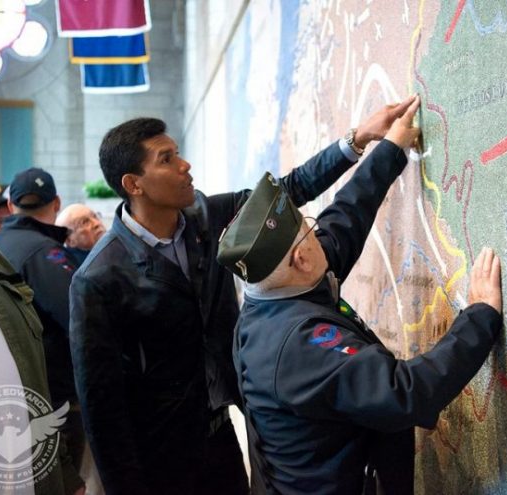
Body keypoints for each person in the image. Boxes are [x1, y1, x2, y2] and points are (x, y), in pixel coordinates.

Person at [69, 99, 414, 495]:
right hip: (162, 454)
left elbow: (287, 192)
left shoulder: (208, 218)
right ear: (134, 183)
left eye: (178, 154)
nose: (185, 166)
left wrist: (356, 140)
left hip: (223, 433)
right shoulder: (98, 278)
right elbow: (101, 404)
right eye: (167, 159)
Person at [217, 96, 504, 493]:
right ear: (301, 258)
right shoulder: (299, 348)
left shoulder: (271, 294)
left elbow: (344, 222)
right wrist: (481, 315)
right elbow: (406, 393)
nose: (319, 233)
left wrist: (388, 149)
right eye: (309, 228)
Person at [0, 136, 84, 494]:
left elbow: (29, 370)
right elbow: (80, 329)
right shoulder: (44, 251)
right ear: (57, 204)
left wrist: (62, 467)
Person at [0, 168, 86, 474]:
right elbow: (78, 320)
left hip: (12, 392)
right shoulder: (44, 252)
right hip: (53, 398)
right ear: (57, 203)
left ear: (9, 206)